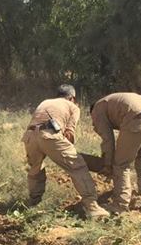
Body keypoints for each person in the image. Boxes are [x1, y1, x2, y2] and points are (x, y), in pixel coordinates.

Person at [23, 85, 109, 219]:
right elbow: (69, 133)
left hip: (29, 136)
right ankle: (92, 207)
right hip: (50, 134)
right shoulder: (72, 106)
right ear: (72, 98)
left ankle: (33, 204)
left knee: (36, 168)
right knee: (78, 166)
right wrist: (69, 153)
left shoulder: (45, 102)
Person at [89, 92, 141, 213]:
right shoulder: (110, 101)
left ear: (91, 112)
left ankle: (120, 204)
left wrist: (108, 164)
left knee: (121, 164)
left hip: (137, 117)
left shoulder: (97, 109)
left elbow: (108, 140)